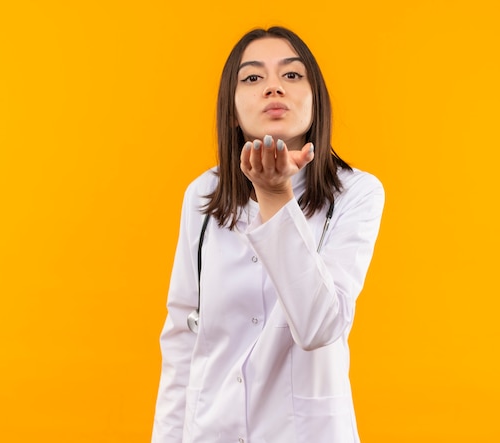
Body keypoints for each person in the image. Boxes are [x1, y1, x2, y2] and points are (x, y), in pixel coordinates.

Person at [151, 26, 385, 443]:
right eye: (253, 77)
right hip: (210, 430)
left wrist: (275, 196)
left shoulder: (356, 193)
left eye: (292, 76)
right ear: (232, 109)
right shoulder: (203, 195)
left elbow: (319, 326)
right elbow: (182, 338)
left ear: (317, 100)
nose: (274, 87)